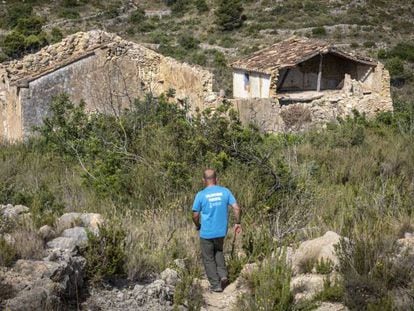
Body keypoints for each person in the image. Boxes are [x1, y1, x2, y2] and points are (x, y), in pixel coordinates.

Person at [192, 168, 241, 292]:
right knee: (218, 251)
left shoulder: (201, 195)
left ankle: (215, 285)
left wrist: (197, 225)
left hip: (207, 232)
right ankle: (223, 275)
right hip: (221, 231)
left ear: (203, 180)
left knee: (208, 258)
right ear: (216, 179)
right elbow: (236, 208)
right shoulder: (225, 191)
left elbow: (195, 215)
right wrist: (237, 222)